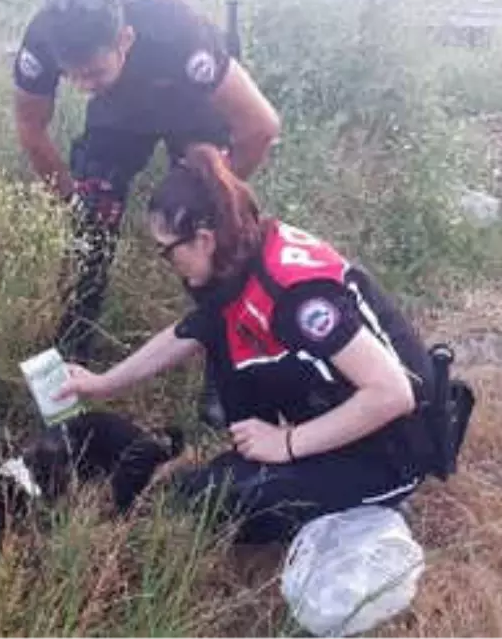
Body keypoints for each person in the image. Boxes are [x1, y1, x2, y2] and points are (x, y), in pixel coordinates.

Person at [54, 144, 440, 545]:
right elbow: (187, 333)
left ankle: (373, 502)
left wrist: (287, 444)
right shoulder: (240, 255)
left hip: (392, 448)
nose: (166, 261)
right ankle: (266, 467)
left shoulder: (296, 297)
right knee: (221, 336)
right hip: (338, 407)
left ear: (202, 239)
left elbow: (393, 393)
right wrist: (102, 383)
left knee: (207, 504)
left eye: (166, 250)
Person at [11, 0, 281, 388]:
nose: (83, 86)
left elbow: (260, 126)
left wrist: (215, 195)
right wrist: (70, 200)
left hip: (189, 107)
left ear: (126, 39)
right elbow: (31, 128)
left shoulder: (179, 33)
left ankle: (224, 361)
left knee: (203, 234)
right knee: (88, 226)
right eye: (74, 77)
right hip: (117, 114)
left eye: (94, 72)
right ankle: (71, 355)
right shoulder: (47, 38)